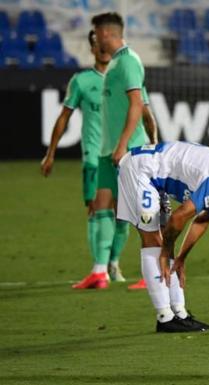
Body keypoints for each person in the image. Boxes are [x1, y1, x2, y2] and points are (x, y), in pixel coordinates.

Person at [41, 31, 155, 289]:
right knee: (97, 209)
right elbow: (64, 117)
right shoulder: (81, 81)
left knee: (125, 213)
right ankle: (100, 267)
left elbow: (145, 112)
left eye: (105, 42)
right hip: (95, 157)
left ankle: (113, 262)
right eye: (97, 44)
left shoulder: (126, 75)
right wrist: (50, 153)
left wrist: (153, 142)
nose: (102, 48)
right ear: (92, 48)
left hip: (126, 153)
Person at [116, 141, 209, 332]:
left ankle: (179, 313)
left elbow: (201, 221)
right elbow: (180, 216)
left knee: (165, 240)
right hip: (141, 170)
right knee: (153, 240)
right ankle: (165, 317)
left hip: (155, 176)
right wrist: (166, 251)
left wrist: (181, 257)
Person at [70, 12, 158, 290]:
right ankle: (99, 272)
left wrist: (127, 145)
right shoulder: (117, 64)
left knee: (142, 211)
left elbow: (136, 106)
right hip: (108, 152)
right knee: (101, 205)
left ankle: (154, 272)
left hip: (128, 150)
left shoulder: (129, 62)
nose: (94, 40)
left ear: (106, 34)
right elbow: (144, 109)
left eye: (96, 34)